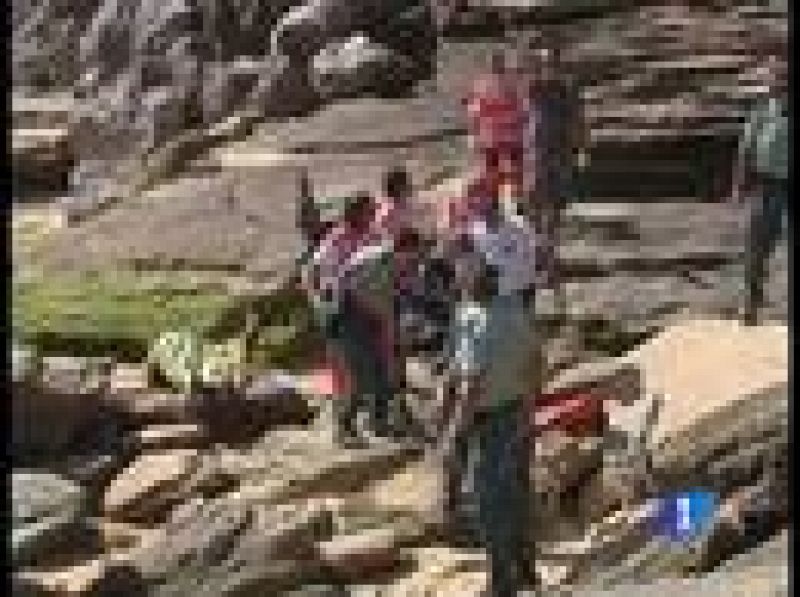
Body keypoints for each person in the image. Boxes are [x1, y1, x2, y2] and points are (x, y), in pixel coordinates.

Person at [301, 192, 396, 446]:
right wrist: (320, 300)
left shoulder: (374, 236)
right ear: (354, 213)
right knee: (353, 371)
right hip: (345, 310)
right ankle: (345, 427)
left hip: (374, 308)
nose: (372, 216)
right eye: (368, 211)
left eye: (372, 211)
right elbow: (313, 272)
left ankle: (379, 421)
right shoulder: (336, 240)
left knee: (380, 365)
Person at [728, 49, 789, 326]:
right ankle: (750, 306)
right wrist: (738, 186)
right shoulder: (762, 110)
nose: (776, 80)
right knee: (756, 247)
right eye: (773, 75)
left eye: (781, 74)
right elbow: (746, 149)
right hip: (767, 186)